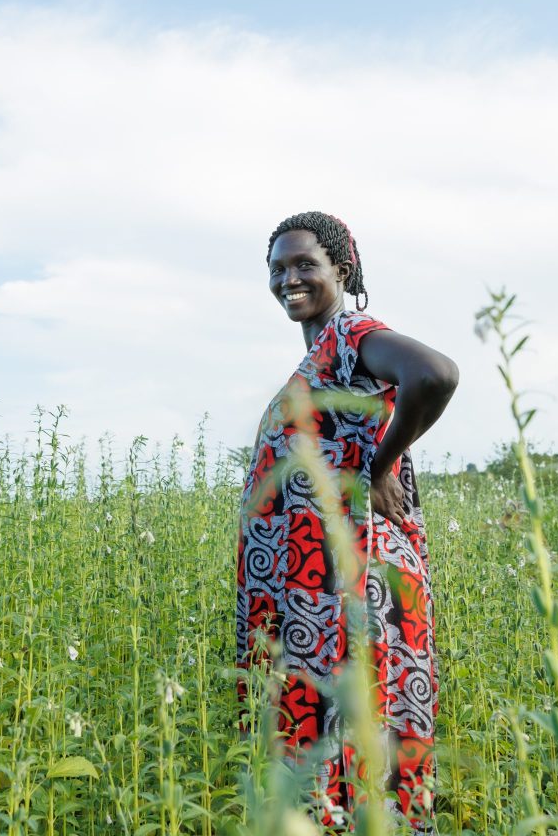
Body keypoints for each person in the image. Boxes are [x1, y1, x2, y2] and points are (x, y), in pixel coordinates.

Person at [236, 211, 459, 827]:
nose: (289, 279)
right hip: (314, 588)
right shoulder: (322, 355)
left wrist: (379, 465)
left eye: (305, 264)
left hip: (347, 583)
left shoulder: (351, 334)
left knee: (360, 724)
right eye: (278, 268)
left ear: (342, 268)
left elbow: (435, 373)